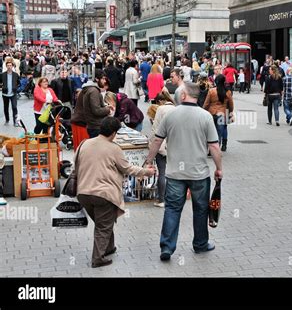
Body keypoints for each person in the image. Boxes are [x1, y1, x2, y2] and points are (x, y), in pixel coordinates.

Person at [145, 82, 223, 261]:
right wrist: (219, 169)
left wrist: (149, 162)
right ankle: (200, 244)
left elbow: (157, 141)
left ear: (183, 96)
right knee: (201, 209)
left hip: (174, 174)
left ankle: (167, 247)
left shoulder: (170, 116)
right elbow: (214, 146)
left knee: (172, 209)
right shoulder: (205, 116)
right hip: (199, 174)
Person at [77, 117, 155, 268]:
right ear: (113, 133)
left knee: (104, 221)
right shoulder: (114, 148)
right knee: (103, 226)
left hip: (83, 192)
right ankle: (98, 258)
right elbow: (127, 169)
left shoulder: (84, 144)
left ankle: (109, 247)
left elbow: (76, 165)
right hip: (104, 194)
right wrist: (147, 171)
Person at [150, 90, 176, 208]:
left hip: (162, 145)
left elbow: (156, 129)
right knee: (172, 172)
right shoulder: (176, 109)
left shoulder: (161, 109)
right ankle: (172, 197)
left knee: (162, 172)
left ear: (160, 101)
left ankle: (161, 200)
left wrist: (151, 144)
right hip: (174, 145)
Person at [203, 74, 234, 152]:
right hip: (222, 115)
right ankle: (216, 149)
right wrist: (230, 112)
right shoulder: (228, 92)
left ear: (216, 81)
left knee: (210, 132)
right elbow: (231, 105)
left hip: (211, 114)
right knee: (219, 133)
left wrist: (203, 111)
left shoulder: (211, 91)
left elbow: (206, 104)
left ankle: (210, 149)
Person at [81, 70, 113, 138]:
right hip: (95, 126)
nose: (105, 81)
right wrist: (107, 110)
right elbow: (96, 110)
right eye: (103, 79)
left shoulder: (92, 89)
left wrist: (106, 107)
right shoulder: (93, 91)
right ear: (96, 79)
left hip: (94, 125)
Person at [1, 58, 20, 126]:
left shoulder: (15, 74)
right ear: (6, 66)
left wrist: (15, 87)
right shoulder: (2, 74)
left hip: (13, 93)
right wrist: (2, 87)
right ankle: (7, 119)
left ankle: (15, 121)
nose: (9, 67)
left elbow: (18, 82)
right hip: (5, 94)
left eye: (10, 65)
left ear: (12, 66)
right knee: (6, 108)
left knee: (14, 107)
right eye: (8, 65)